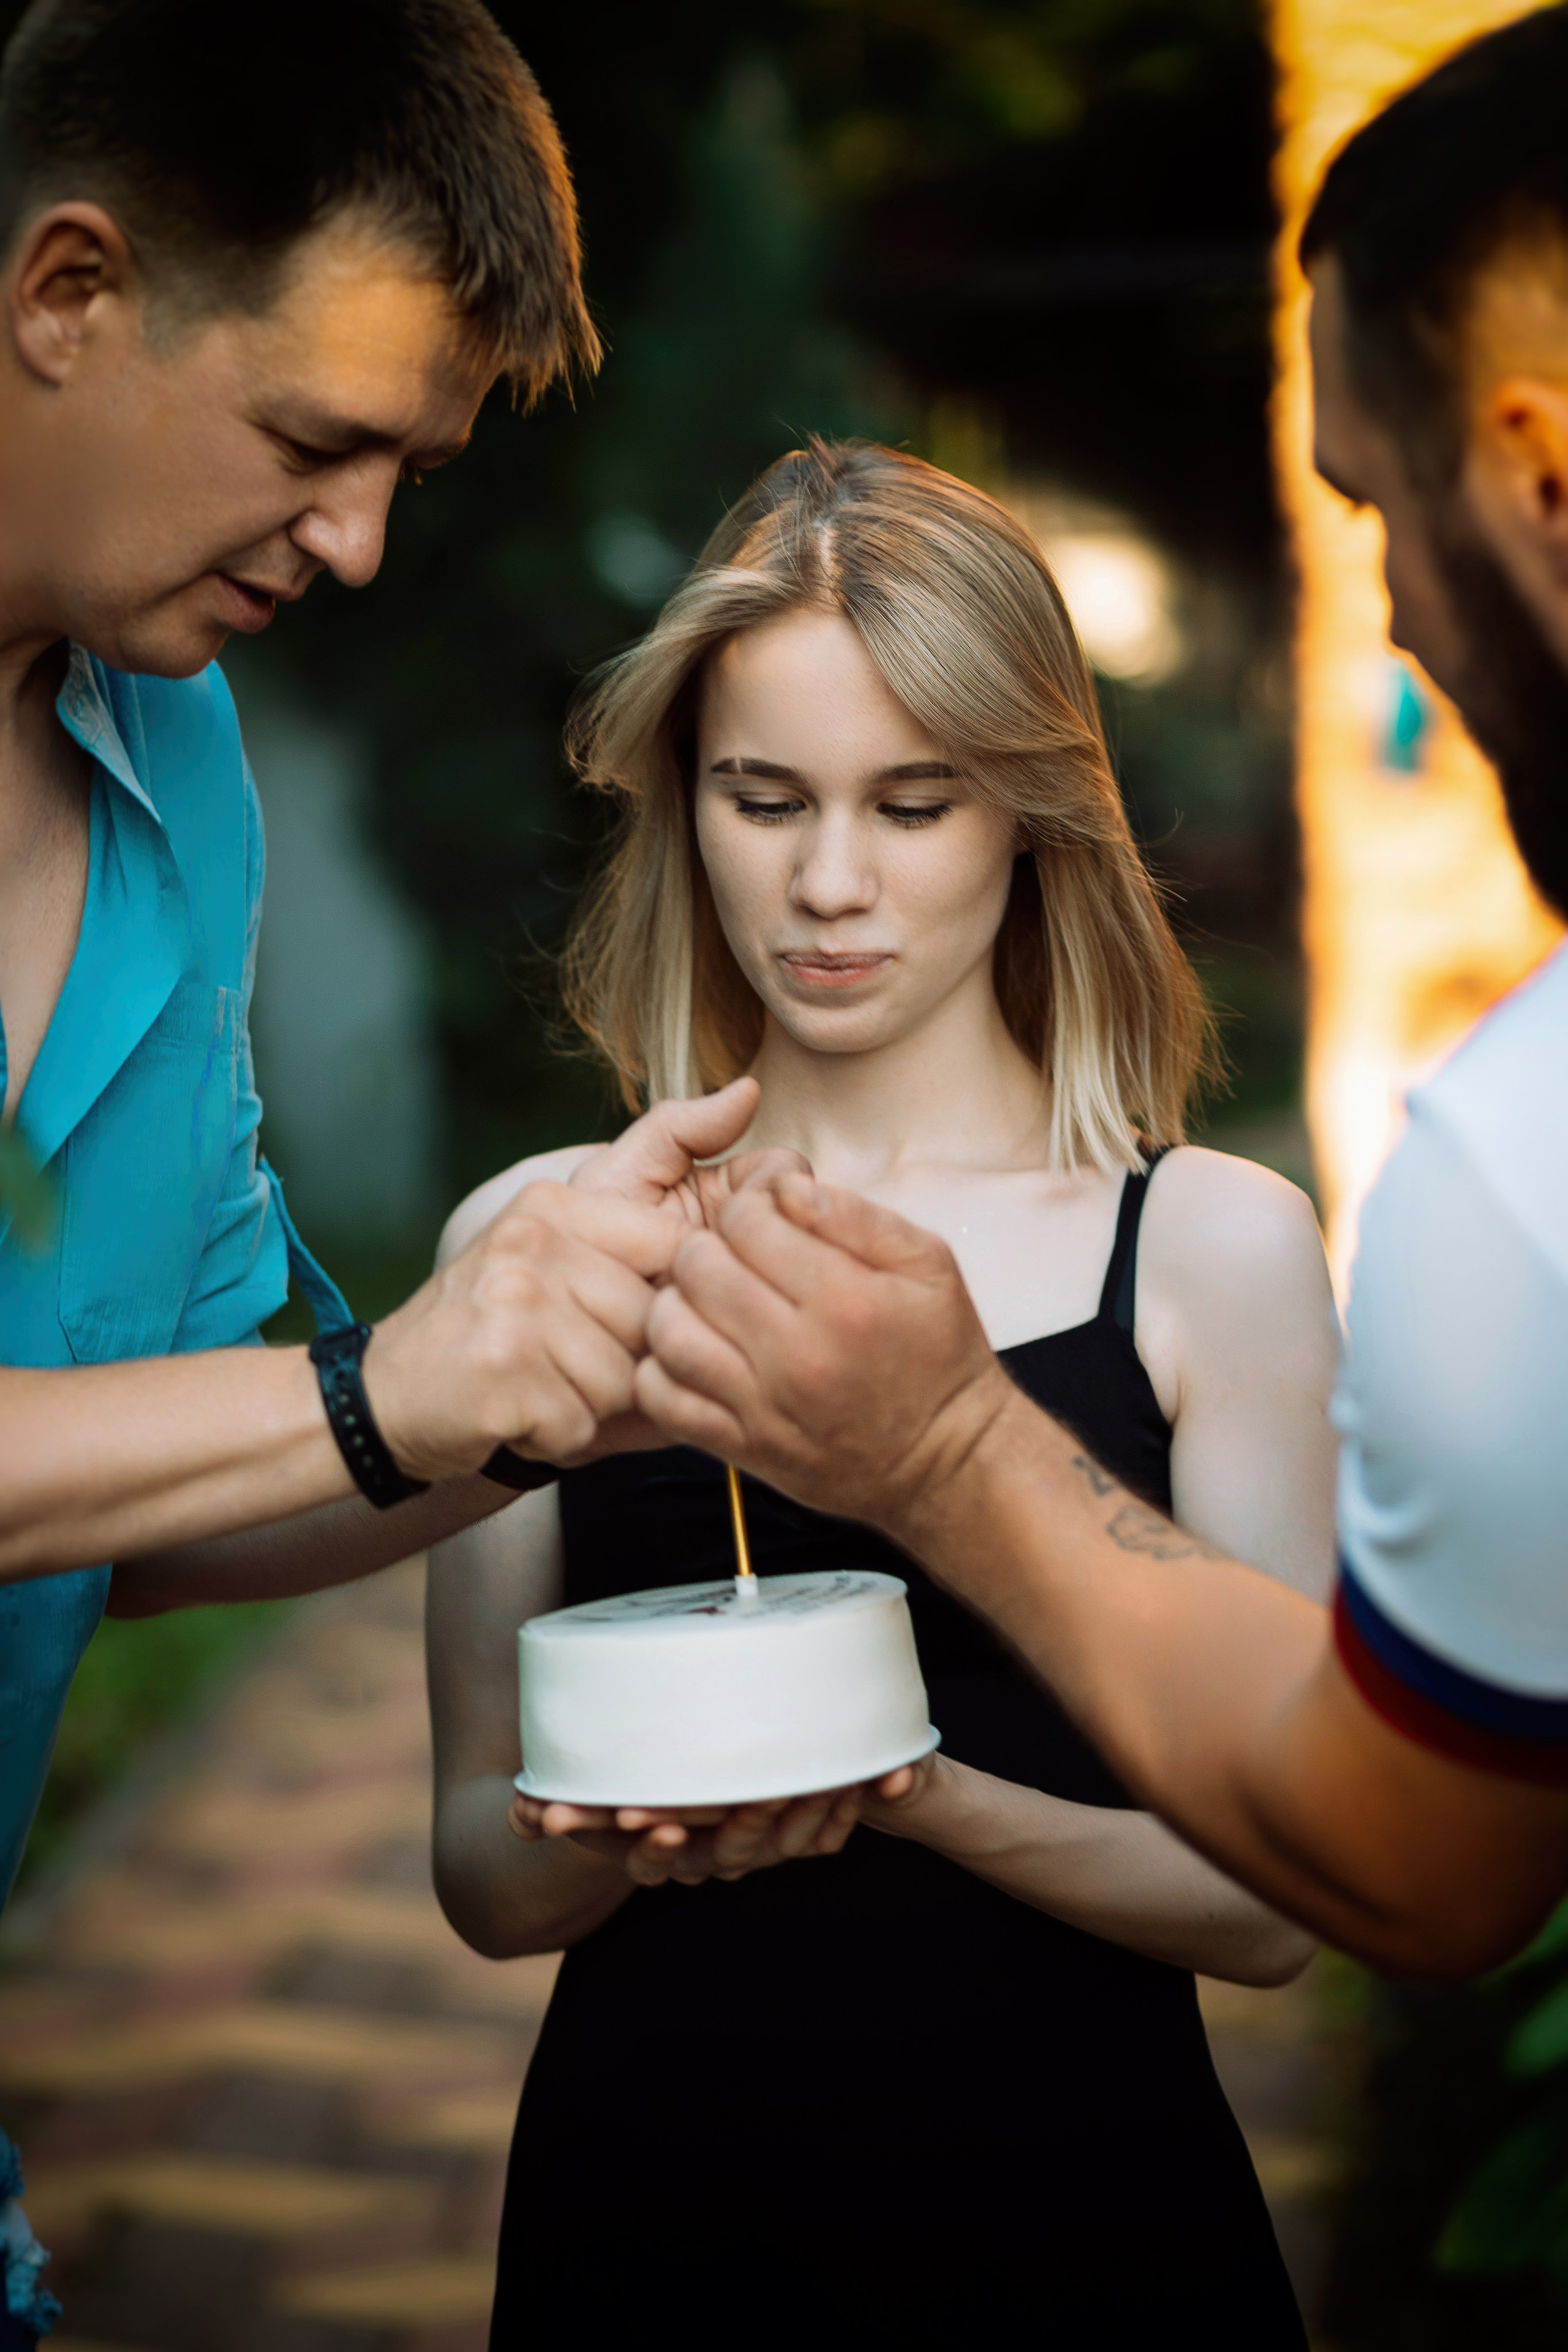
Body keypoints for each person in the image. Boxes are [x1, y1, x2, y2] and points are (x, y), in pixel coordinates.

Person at [634, 7, 1568, 1982]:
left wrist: (952, 1454)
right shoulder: (573, 1241)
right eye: (765, 796)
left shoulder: (1510, 1177)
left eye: (1375, 506)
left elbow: (1403, 1869)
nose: (1391, 613)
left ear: (1538, 477)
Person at [0, 2, 765, 2333]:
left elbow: (146, 1497)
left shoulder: (177, 761)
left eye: (408, 472)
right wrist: (373, 1399)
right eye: (315, 440)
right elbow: (300, 1413)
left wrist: (569, 1364)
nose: (350, 544)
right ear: (66, 290)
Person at [429, 440, 1341, 2348]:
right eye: (766, 800)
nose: (830, 885)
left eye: (914, 806)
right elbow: (487, 1889)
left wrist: (910, 1798)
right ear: (687, 806)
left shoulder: (1208, 1251)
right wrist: (626, 1814)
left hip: (1092, 2221)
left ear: (1030, 817)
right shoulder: (551, 1234)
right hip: (650, 2216)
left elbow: (1272, 1907)